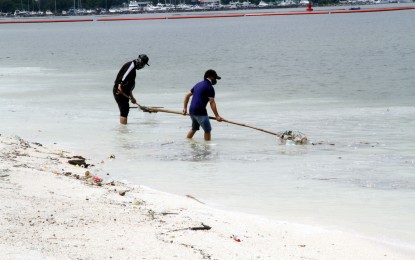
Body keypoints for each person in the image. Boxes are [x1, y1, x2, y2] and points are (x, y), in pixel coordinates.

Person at [183, 69, 223, 141]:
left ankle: (186, 143)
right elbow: (212, 102)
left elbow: (187, 95)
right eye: (215, 78)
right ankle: (207, 149)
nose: (215, 80)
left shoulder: (198, 84)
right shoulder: (209, 87)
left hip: (192, 111)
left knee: (194, 129)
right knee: (207, 130)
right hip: (200, 111)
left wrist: (184, 109)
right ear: (210, 77)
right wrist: (217, 116)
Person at [113, 54, 149, 124]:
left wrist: (132, 97)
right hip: (119, 91)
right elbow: (123, 77)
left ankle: (123, 129)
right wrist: (119, 86)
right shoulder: (131, 66)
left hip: (124, 92)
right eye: (143, 64)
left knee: (125, 110)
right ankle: (123, 131)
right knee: (124, 110)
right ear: (140, 62)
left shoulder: (133, 69)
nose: (143, 66)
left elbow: (129, 87)